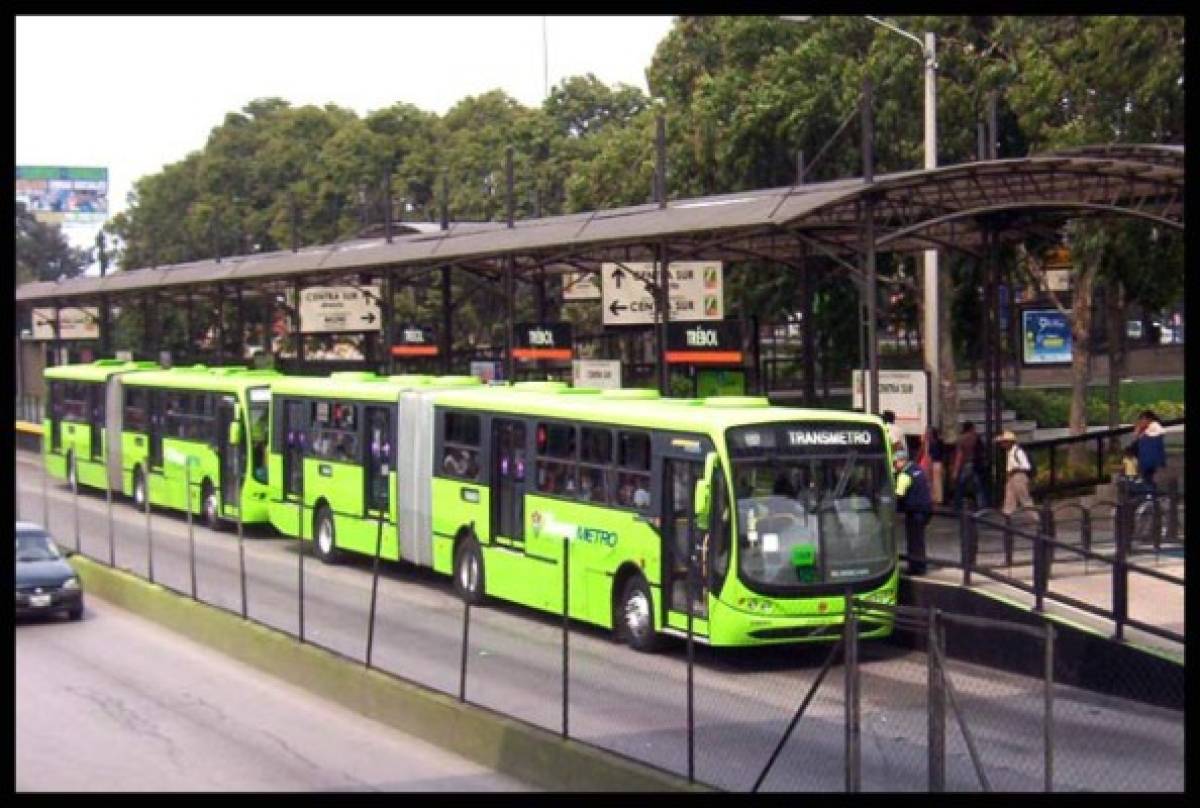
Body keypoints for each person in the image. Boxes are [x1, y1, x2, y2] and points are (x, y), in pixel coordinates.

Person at [893, 449, 932, 575]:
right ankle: (920, 565)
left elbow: (898, 495)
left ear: (902, 461)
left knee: (913, 540)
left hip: (914, 511)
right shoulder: (918, 469)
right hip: (925, 509)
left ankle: (916, 567)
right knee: (919, 540)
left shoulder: (904, 475)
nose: (894, 466)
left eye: (895, 463)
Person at [952, 421, 988, 511]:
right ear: (971, 428)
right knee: (978, 487)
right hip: (976, 464)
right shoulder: (976, 437)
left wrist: (955, 471)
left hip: (965, 464)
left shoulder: (961, 439)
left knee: (960, 486)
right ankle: (982, 505)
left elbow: (959, 456)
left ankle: (957, 505)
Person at [997, 430, 1034, 516]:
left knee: (1024, 498)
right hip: (1011, 477)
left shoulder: (1018, 451)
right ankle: (1007, 516)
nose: (1002, 444)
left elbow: (1026, 466)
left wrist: (1015, 469)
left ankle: (1035, 518)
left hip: (1018, 476)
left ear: (1009, 442)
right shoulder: (1009, 452)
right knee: (1009, 498)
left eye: (1004, 442)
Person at [1132, 409, 1167, 493]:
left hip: (1149, 461)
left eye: (1142, 419)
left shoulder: (1153, 429)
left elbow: (1152, 445)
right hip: (1146, 461)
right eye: (1140, 419)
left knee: (1148, 480)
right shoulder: (1146, 430)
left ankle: (1150, 495)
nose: (1140, 421)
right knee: (1148, 480)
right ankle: (1150, 494)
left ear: (1149, 419)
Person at [918, 426, 945, 506]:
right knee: (936, 482)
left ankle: (936, 499)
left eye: (928, 433)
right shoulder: (937, 442)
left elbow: (931, 455)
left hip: (935, 463)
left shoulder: (932, 443)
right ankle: (936, 499)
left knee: (935, 482)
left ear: (931, 434)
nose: (926, 434)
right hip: (936, 463)